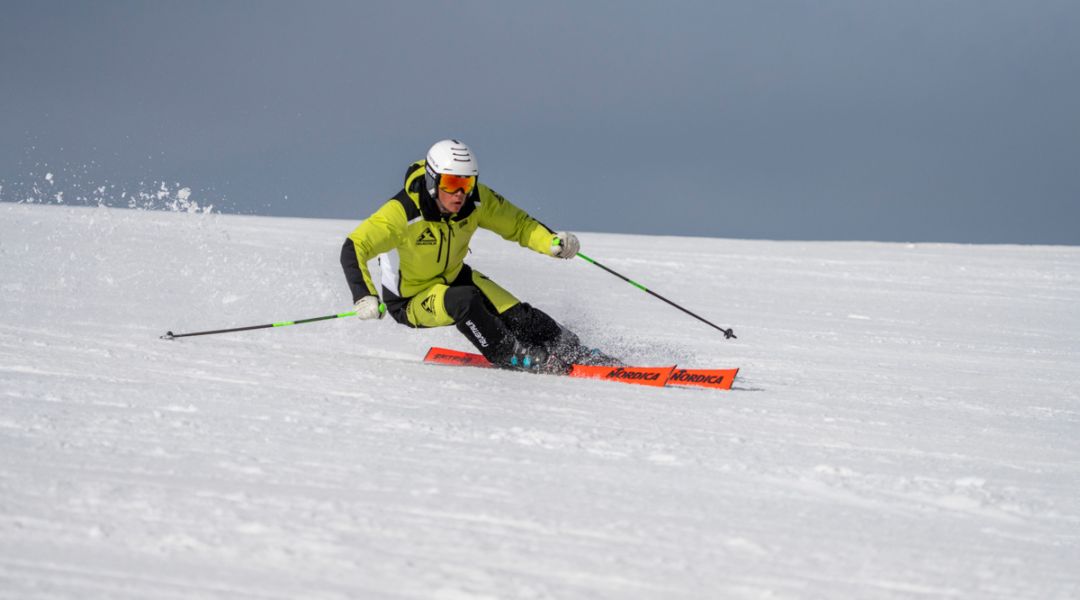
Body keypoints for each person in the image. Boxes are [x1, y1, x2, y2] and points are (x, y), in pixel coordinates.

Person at [340, 139, 612, 373]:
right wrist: (363, 295)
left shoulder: (475, 201)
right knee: (465, 301)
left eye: (467, 183)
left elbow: (519, 225)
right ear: (433, 180)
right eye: (451, 183)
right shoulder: (403, 213)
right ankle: (511, 353)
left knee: (519, 316)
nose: (460, 193)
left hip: (455, 277)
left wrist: (552, 242)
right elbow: (354, 247)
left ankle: (576, 351)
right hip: (411, 299)